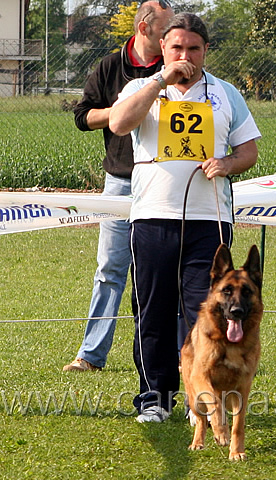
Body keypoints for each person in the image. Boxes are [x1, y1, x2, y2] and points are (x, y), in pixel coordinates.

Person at [109, 12, 261, 423]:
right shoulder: (141, 87)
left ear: (206, 50)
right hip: (152, 217)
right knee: (152, 309)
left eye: (194, 48)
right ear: (163, 47)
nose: (185, 55)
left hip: (208, 221)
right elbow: (119, 123)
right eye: (177, 47)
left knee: (206, 310)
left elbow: (249, 150)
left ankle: (202, 398)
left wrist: (228, 164)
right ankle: (155, 398)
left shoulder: (226, 93)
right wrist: (161, 79)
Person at [65, 1, 174, 372]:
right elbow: (82, 117)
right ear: (144, 29)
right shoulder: (110, 66)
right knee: (110, 269)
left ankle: (175, 357)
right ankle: (91, 356)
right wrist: (124, 111)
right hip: (120, 182)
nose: (171, 39)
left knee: (163, 274)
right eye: (165, 32)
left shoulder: (175, 68)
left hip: (163, 183)